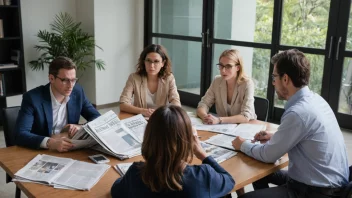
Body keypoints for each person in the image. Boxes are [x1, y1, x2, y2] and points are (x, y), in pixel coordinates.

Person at [232, 49, 350, 198]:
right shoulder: (315, 100)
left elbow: (268, 155)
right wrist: (275, 135)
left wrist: (241, 144)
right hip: (332, 182)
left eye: (274, 77)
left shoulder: (297, 113)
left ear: (285, 79)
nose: (273, 82)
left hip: (316, 191)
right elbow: (309, 133)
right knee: (260, 174)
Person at [111, 105, 235, 198]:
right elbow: (229, 180)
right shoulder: (202, 176)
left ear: (149, 137)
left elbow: (115, 190)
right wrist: (203, 155)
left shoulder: (135, 174)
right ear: (187, 140)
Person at [15, 56, 100, 152]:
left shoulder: (78, 92)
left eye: (73, 80)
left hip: (70, 148)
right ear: (51, 78)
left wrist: (80, 127)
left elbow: (97, 117)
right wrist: (50, 143)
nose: (71, 85)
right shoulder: (32, 98)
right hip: (41, 151)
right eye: (65, 80)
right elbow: (20, 134)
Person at [197, 49, 256, 125]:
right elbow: (203, 104)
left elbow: (245, 116)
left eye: (228, 66)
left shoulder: (247, 83)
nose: (223, 70)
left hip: (245, 126)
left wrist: (219, 120)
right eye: (221, 66)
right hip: (223, 128)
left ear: (237, 68)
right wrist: (206, 117)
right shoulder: (217, 81)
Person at [119, 44, 181, 117]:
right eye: (148, 60)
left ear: (163, 63)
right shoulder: (134, 78)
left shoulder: (169, 78)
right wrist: (142, 111)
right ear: (144, 62)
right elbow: (123, 104)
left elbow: (176, 103)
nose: (151, 65)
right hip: (140, 118)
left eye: (156, 61)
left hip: (160, 119)